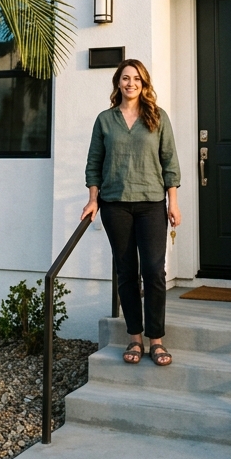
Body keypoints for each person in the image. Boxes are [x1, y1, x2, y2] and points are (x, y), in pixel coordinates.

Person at [82, 58, 181, 366]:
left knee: (153, 271)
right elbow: (94, 163)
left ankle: (156, 340)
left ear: (144, 84)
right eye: (125, 78)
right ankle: (135, 338)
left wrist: (173, 202)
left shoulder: (157, 117)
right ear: (118, 83)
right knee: (126, 272)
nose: (130, 83)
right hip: (115, 205)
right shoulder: (105, 120)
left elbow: (170, 163)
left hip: (152, 204)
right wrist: (93, 199)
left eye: (136, 78)